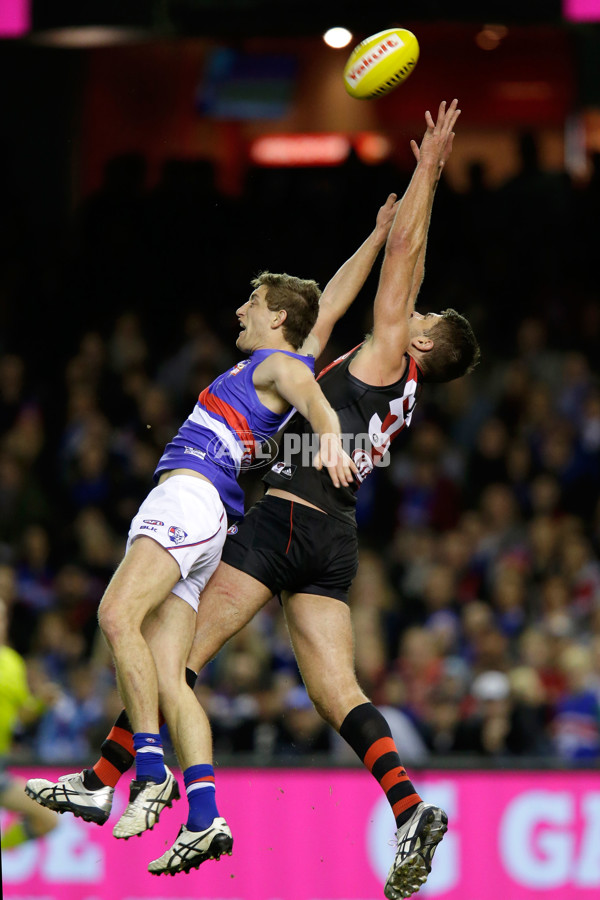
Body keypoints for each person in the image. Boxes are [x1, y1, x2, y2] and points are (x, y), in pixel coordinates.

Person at [30, 100, 478, 900]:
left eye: (422, 315)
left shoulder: (386, 353)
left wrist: (427, 173)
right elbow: (335, 304)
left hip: (280, 517)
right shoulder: (395, 387)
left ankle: (118, 785)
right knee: (337, 691)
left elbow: (407, 255)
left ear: (420, 344)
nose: (411, 307)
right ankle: (409, 809)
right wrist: (374, 236)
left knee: (175, 661)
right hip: (333, 539)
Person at [26, 270, 355, 842]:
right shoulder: (275, 363)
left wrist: (328, 432)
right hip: (207, 515)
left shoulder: (281, 366)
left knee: (115, 616)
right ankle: (204, 816)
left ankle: (148, 773)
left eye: (251, 302)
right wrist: (378, 236)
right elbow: (324, 308)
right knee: (170, 677)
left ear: (277, 317)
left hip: (191, 495)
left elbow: (314, 396)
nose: (239, 311)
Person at [0, 596, 59, 850]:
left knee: (47, 819)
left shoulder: (12, 662)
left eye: (2, 617)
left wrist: (40, 703)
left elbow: (18, 718)